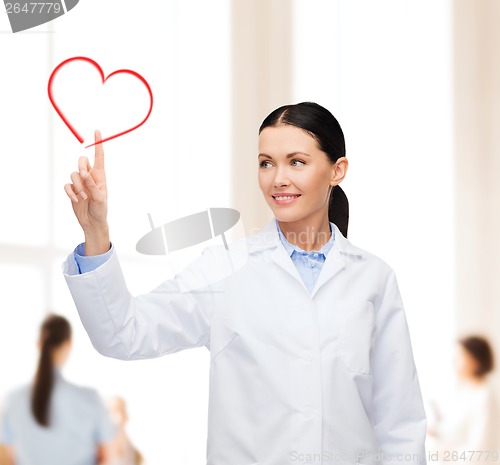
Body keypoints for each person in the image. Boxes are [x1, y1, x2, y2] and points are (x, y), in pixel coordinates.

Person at [62, 102, 427, 465]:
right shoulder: (224, 270)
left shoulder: (373, 279)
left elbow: (399, 424)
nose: (278, 178)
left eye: (296, 161)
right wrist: (96, 231)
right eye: (266, 163)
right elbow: (123, 332)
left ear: (337, 170)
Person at [0, 314, 117, 465]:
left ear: (39, 344)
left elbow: (5, 458)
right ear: (68, 344)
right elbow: (106, 455)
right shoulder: (89, 398)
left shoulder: (13, 399)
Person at [427, 336, 499, 463]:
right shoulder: (464, 392)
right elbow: (457, 429)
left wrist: (444, 452)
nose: (453, 362)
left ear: (475, 361)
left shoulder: (484, 398)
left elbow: (480, 451)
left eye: (459, 357)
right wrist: (436, 431)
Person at [106, 396, 144, 465]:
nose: (120, 416)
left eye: (123, 410)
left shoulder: (134, 453)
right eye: (114, 411)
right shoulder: (98, 450)